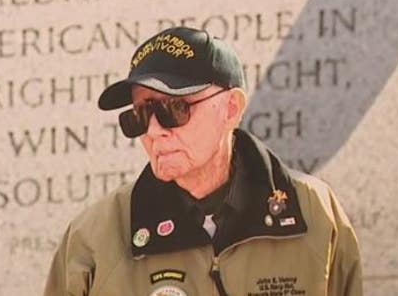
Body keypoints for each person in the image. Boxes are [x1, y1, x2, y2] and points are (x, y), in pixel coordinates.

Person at [43, 26, 362, 296]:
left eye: (174, 109)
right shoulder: (93, 238)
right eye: (140, 115)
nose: (154, 131)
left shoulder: (316, 214)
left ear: (231, 108)